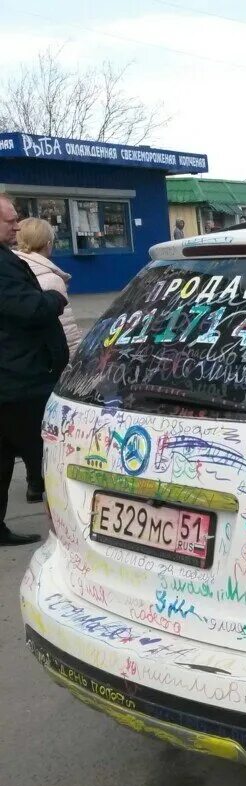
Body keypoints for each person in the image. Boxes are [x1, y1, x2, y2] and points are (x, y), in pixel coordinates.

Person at [0, 194, 69, 545]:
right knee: (47, 455)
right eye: (11, 219)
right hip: (19, 378)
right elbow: (26, 308)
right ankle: (70, 531)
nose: (17, 224)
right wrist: (55, 296)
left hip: (16, 374)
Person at [14, 218, 82, 355]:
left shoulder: (10, 268)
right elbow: (66, 327)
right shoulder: (51, 280)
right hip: (46, 358)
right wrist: (77, 355)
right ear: (48, 244)